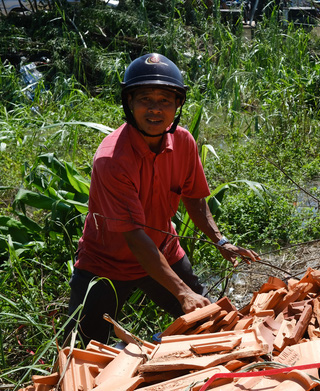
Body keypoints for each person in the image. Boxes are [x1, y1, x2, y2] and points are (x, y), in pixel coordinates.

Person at [65, 53, 260, 345]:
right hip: (106, 264)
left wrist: (221, 241)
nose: (155, 110)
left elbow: (193, 197)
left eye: (165, 101)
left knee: (209, 322)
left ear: (178, 105)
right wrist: (182, 292)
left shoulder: (183, 142)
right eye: (145, 99)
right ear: (129, 102)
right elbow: (134, 236)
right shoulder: (111, 160)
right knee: (83, 351)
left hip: (164, 251)